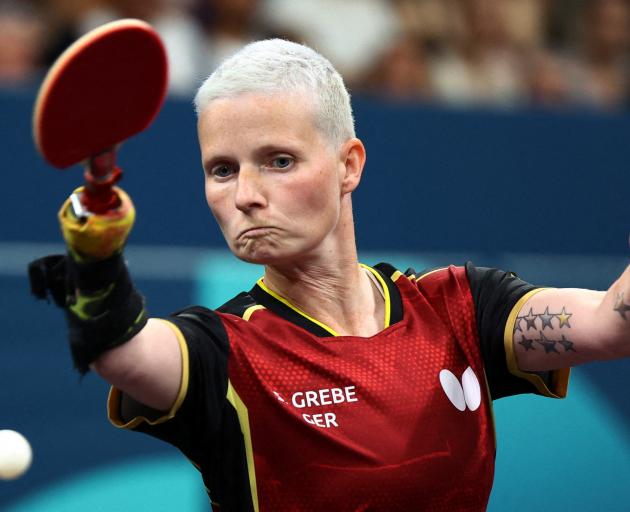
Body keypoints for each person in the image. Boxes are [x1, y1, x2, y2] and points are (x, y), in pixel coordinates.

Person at [29, 38, 630, 511]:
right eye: (221, 169)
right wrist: (95, 260)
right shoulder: (223, 351)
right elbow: (122, 352)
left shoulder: (461, 310)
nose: (245, 195)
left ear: (349, 166)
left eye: (279, 161)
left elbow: (611, 324)